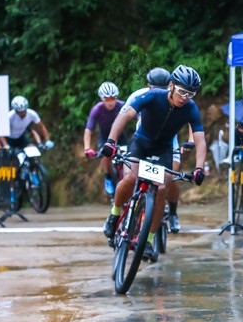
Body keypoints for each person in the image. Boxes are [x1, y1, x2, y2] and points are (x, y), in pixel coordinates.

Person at [100, 66, 207, 259]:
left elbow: (200, 138)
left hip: (163, 148)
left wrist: (199, 168)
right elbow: (124, 115)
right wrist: (110, 141)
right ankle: (114, 214)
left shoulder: (191, 108)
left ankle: (148, 240)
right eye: (182, 92)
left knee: (161, 189)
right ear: (171, 86)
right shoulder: (153, 96)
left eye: (190, 94)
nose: (185, 97)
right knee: (131, 177)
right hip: (141, 143)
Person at [83, 82, 127, 196]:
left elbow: (138, 117)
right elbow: (88, 130)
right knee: (105, 154)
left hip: (120, 137)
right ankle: (108, 176)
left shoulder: (122, 105)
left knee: (128, 157)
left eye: (112, 98)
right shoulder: (97, 109)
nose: (110, 102)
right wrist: (87, 148)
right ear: (102, 99)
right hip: (104, 138)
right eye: (107, 99)